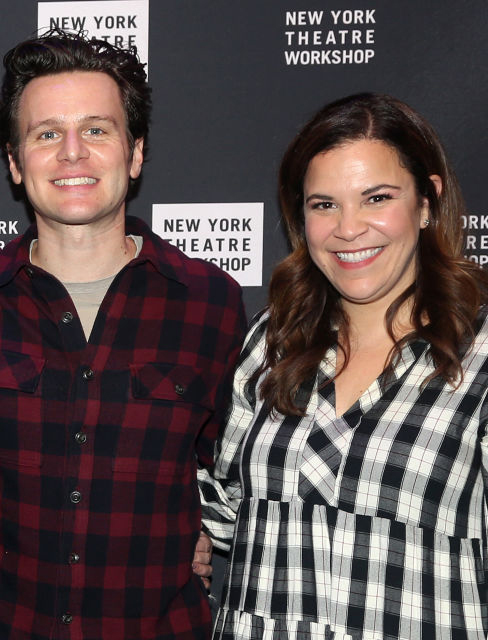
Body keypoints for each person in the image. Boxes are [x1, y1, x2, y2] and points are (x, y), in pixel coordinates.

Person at [0, 30, 246, 638]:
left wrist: (206, 533)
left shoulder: (210, 303)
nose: (73, 153)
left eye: (96, 130)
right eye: (47, 134)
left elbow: (245, 471)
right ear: (16, 163)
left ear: (136, 151)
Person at [199, 93, 488, 638]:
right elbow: (223, 510)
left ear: (428, 201)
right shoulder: (272, 339)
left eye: (376, 198)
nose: (348, 228)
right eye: (323, 204)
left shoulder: (480, 352)